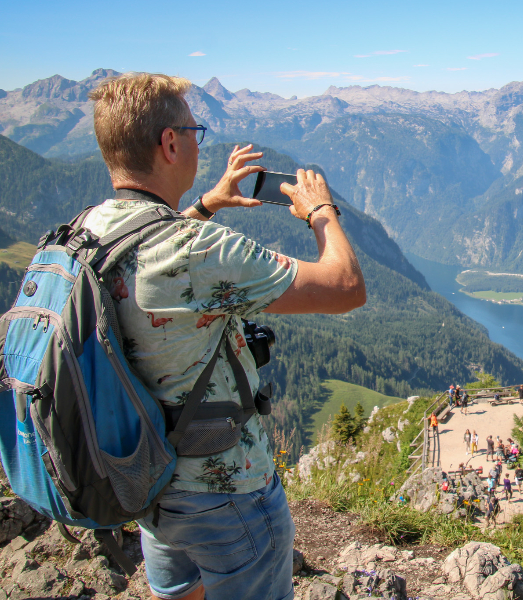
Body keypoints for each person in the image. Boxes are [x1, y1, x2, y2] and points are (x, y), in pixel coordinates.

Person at [86, 73, 366, 600]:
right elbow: (346, 287)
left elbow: (143, 263)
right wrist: (321, 212)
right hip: (226, 493)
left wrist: (207, 202)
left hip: (145, 483)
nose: (198, 140)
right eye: (195, 129)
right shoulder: (200, 250)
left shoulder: (85, 234)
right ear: (170, 143)